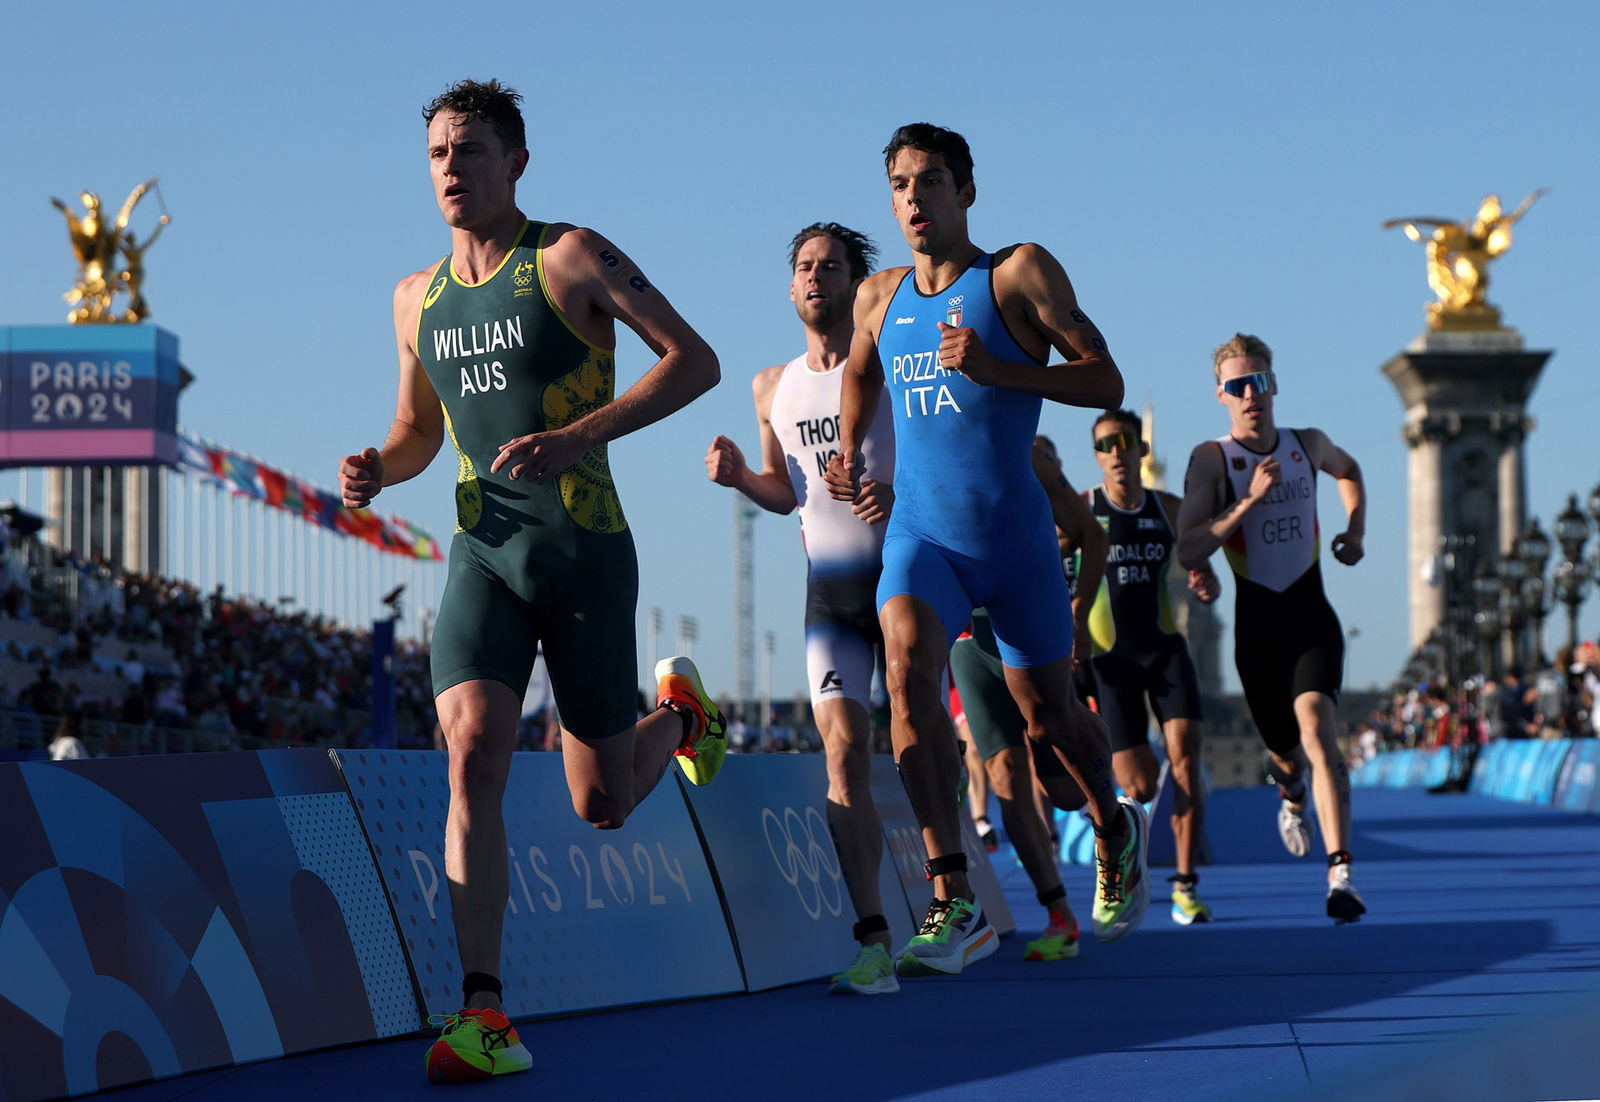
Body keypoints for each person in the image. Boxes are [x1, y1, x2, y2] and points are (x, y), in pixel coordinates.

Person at [338, 79, 725, 1083]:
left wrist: (577, 435)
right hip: (483, 555)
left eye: (470, 151)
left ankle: (680, 719)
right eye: (437, 155)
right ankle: (485, 1013)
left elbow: (694, 362)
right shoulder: (411, 296)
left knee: (600, 802)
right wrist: (380, 467)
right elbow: (420, 429)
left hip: (583, 548)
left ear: (516, 161)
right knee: (470, 755)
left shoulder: (569, 256)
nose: (451, 170)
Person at [826, 123, 1149, 979]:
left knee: (1052, 725)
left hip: (1013, 542)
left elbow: (1106, 380)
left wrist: (1001, 372)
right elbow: (859, 372)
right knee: (903, 669)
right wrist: (851, 450)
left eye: (931, 182)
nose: (914, 200)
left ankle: (1115, 830)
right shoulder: (878, 298)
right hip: (923, 535)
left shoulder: (1015, 274)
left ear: (966, 192)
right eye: (900, 185)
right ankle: (951, 892)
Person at [705, 222, 902, 996]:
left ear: (860, 285)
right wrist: (738, 482)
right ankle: (874, 940)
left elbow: (934, 458)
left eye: (832, 266)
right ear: (790, 289)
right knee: (844, 754)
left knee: (934, 745)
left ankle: (954, 889)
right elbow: (787, 491)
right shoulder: (770, 386)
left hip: (907, 578)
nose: (816, 277)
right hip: (831, 593)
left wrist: (900, 495)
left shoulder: (886, 361)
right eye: (805, 267)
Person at [1175, 333, 1368, 924]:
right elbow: (1187, 545)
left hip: (1311, 616)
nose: (1250, 394)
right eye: (1238, 386)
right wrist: (1246, 503)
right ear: (1222, 396)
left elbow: (1350, 469)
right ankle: (1289, 791)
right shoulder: (1213, 459)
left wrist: (1354, 531)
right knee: (1285, 753)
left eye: (1258, 380)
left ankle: (1341, 875)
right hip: (1257, 629)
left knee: (1319, 733)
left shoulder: (1305, 445)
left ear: (1274, 384)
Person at [949, 436, 1107, 961]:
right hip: (969, 642)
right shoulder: (927, 447)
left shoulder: (1029, 454)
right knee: (1003, 777)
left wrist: (1079, 613)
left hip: (1028, 635)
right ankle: (1059, 914)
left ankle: (1114, 818)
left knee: (1063, 792)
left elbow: (1094, 538)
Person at [1081, 409, 1220, 925]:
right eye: (1107, 444)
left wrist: (1205, 578)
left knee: (1185, 762)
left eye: (1126, 441)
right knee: (1136, 786)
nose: (1118, 451)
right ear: (1097, 456)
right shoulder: (1082, 509)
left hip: (1164, 650)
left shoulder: (1169, 508)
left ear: (1141, 450)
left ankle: (1185, 884)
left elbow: (1198, 561)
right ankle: (1124, 859)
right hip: (1111, 660)